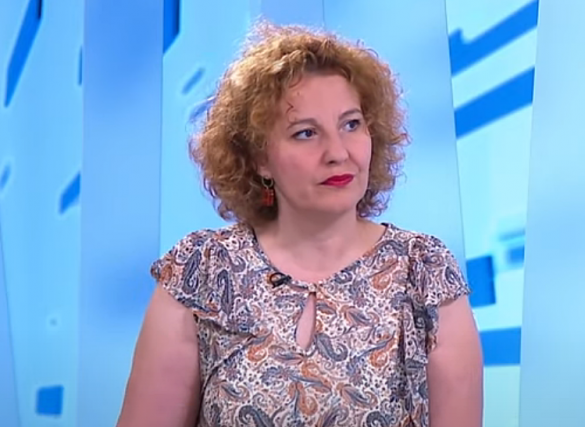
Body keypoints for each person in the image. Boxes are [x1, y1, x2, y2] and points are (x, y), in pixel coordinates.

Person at [116, 21, 483, 427]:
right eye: (306, 133)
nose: (337, 152)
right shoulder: (202, 269)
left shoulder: (424, 270)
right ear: (260, 158)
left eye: (351, 124)